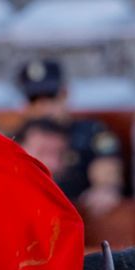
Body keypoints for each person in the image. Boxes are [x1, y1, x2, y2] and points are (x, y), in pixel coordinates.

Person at [15, 59, 125, 215]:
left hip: (79, 216)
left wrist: (104, 189)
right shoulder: (15, 138)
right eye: (34, 99)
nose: (43, 106)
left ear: (64, 94)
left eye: (50, 97)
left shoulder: (90, 134)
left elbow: (107, 176)